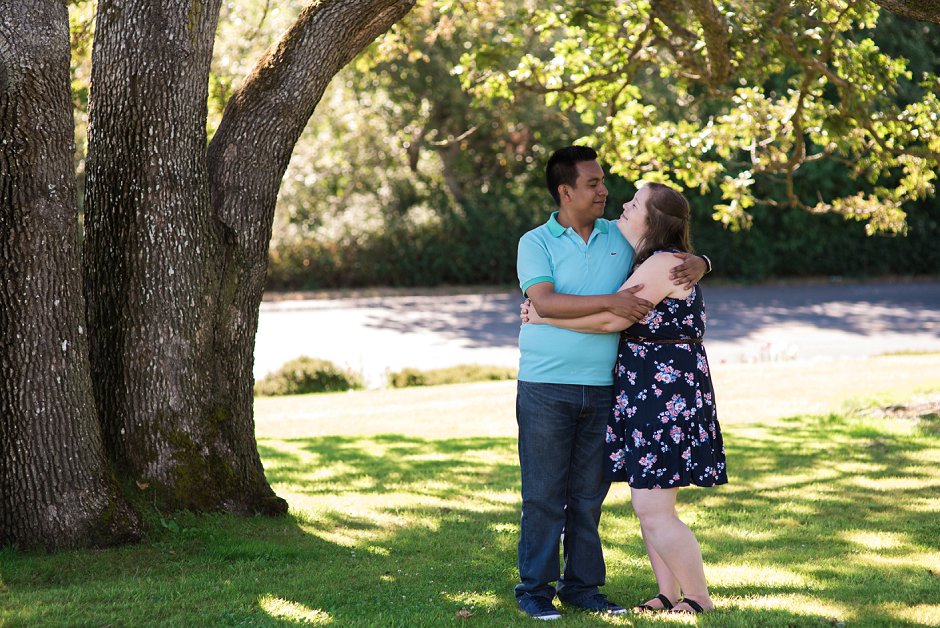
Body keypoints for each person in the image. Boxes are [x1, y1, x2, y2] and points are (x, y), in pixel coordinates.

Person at [514, 146, 709, 620]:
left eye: (605, 183)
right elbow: (547, 300)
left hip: (608, 388)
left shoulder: (619, 238)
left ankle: (582, 587)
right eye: (594, 184)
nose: (606, 191)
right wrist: (604, 304)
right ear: (566, 191)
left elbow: (669, 244)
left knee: (587, 497)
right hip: (545, 383)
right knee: (543, 496)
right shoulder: (535, 241)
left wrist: (702, 260)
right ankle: (535, 590)